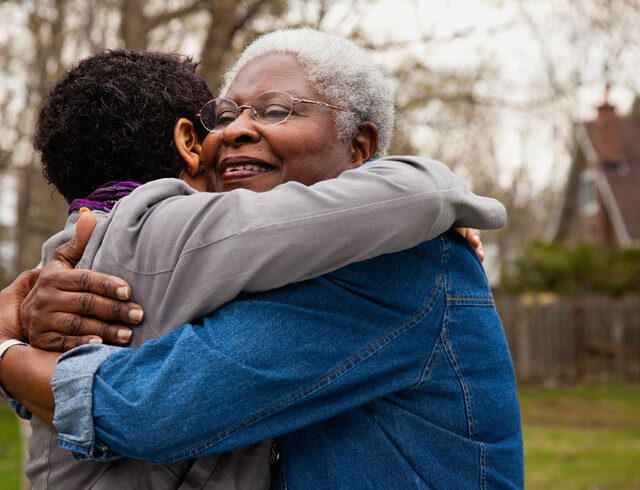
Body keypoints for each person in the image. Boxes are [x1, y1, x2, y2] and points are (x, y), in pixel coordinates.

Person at [0, 28, 523, 488]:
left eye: (276, 110)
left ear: (361, 148)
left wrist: (7, 351)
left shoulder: (399, 260)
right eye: (225, 115)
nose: (234, 131)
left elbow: (148, 408)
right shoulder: (256, 265)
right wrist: (30, 313)